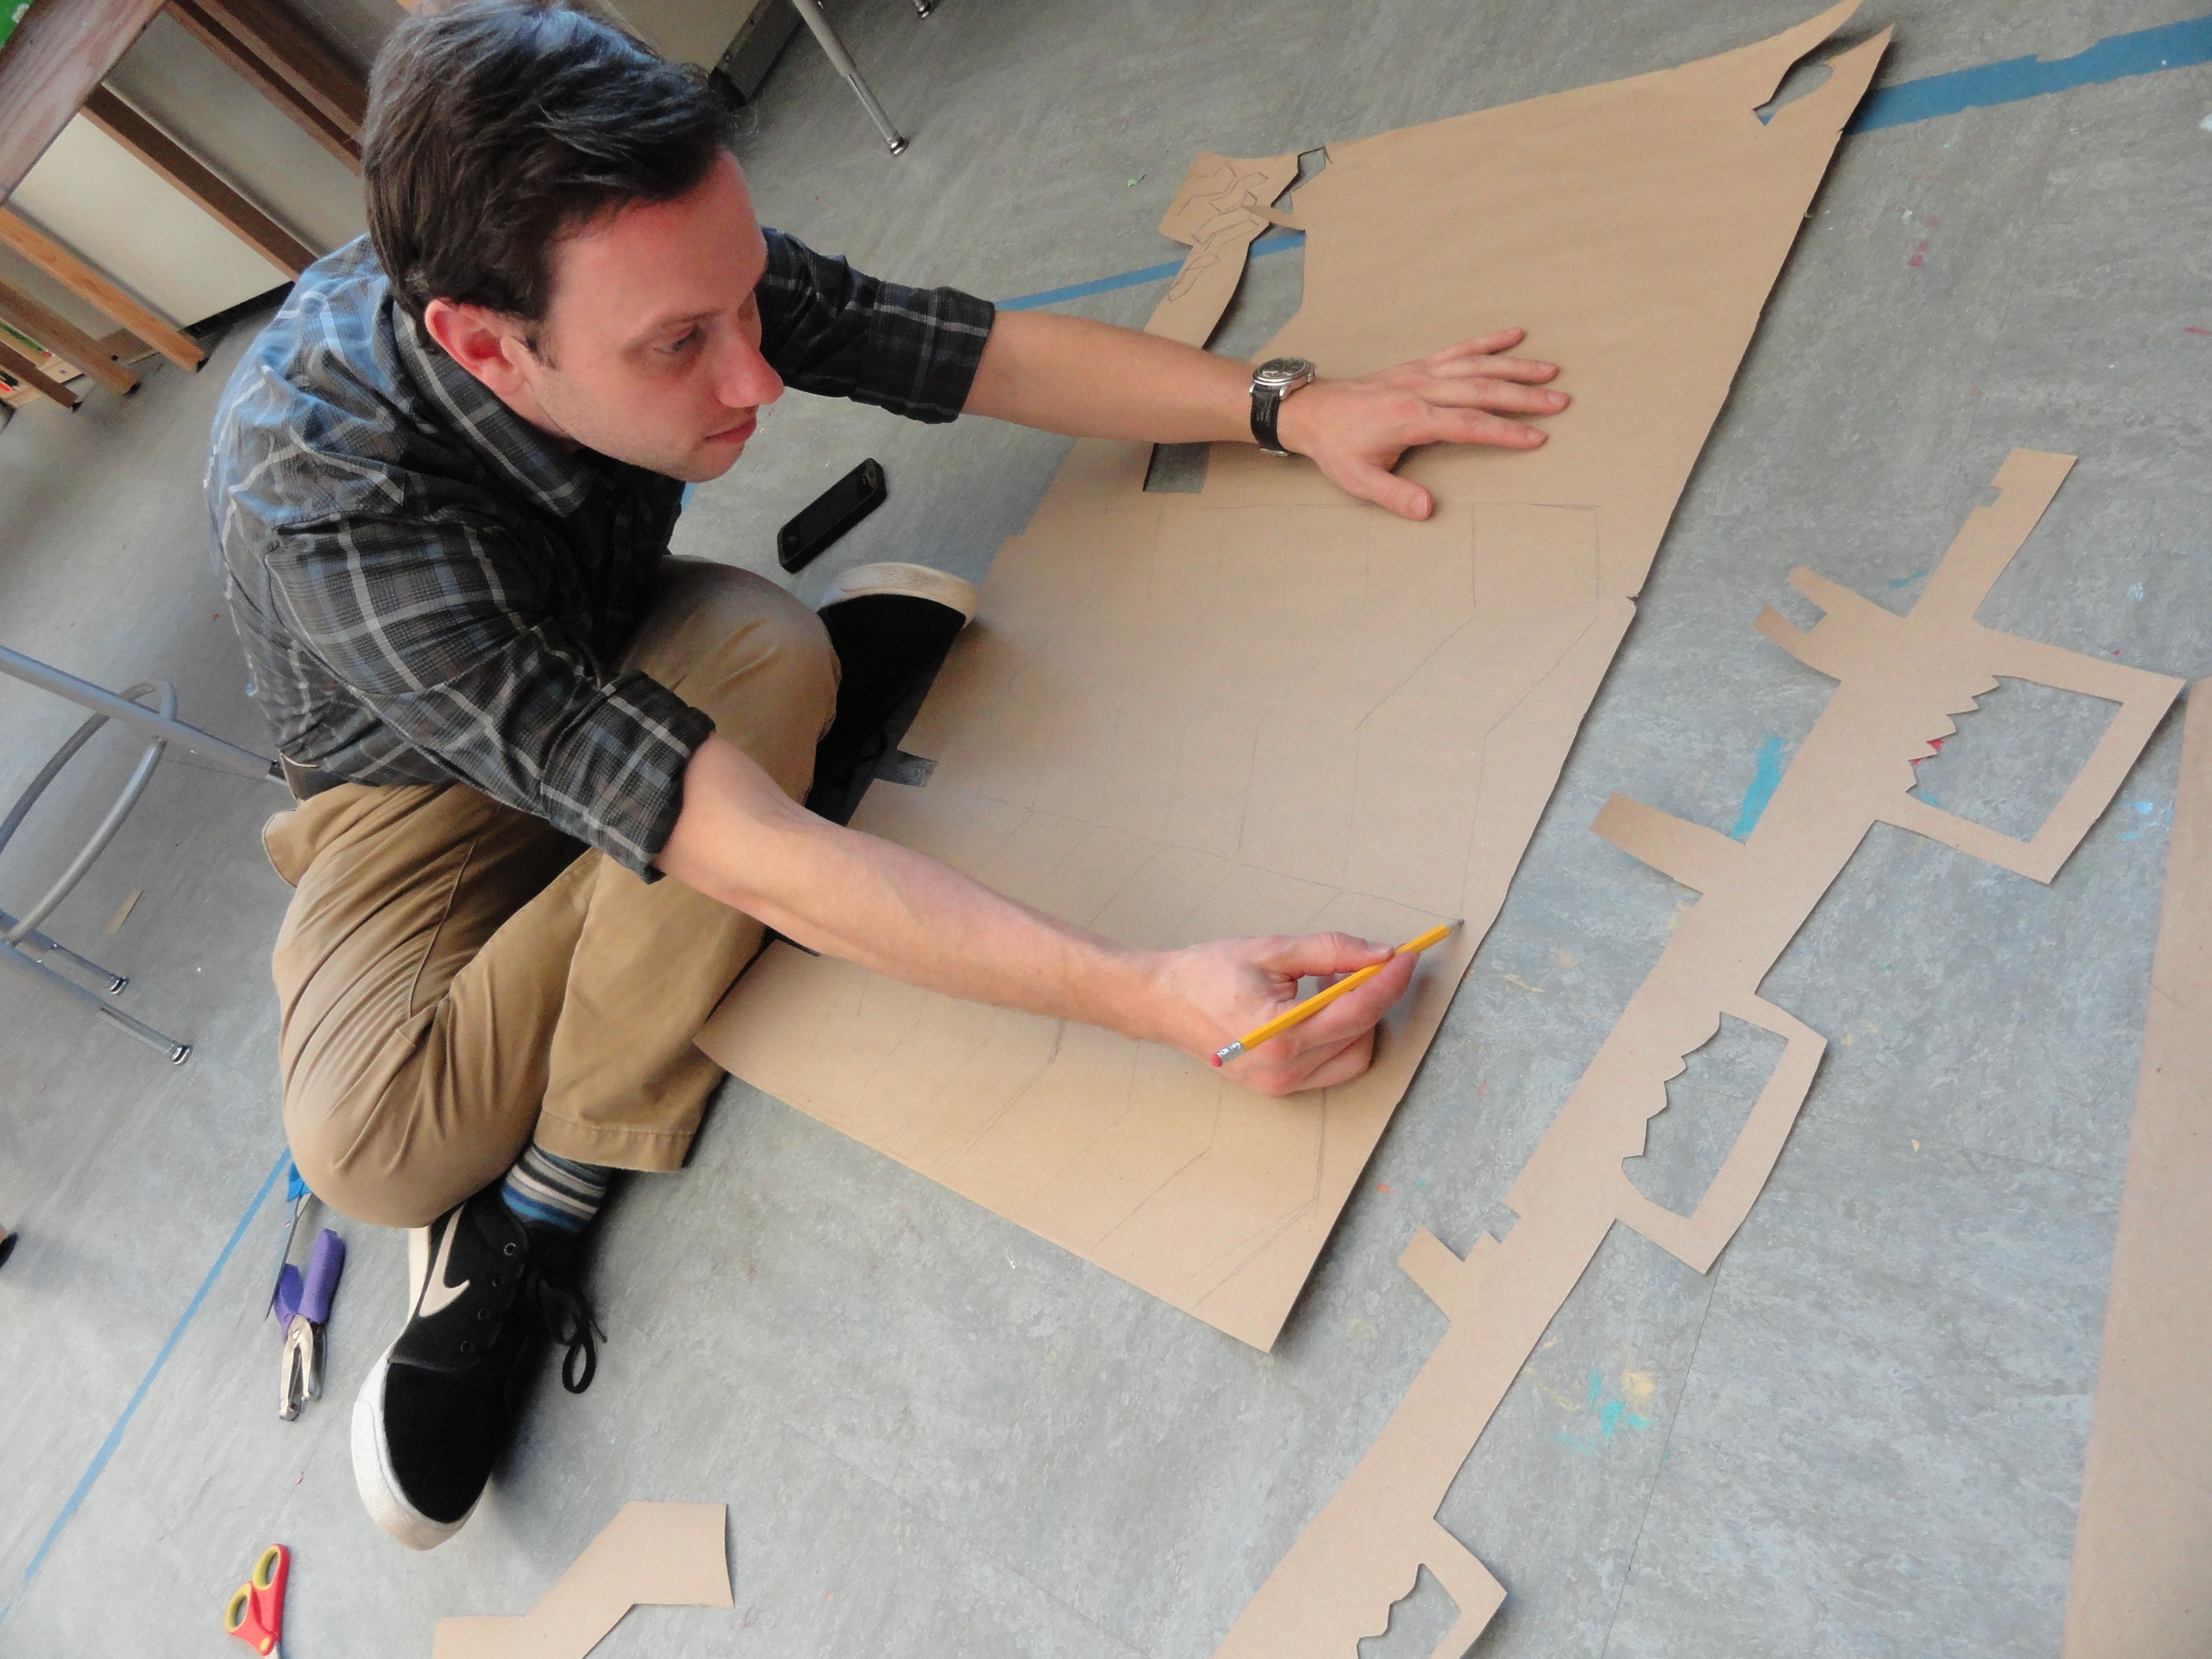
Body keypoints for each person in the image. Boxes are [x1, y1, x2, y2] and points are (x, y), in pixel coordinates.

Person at [206, 0, 1568, 1551]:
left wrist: (1291, 406)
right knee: (378, 1150)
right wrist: (1153, 996)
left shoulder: (644, 253)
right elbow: (751, 855)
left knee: (771, 665)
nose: (757, 378)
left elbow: (958, 349)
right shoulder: (327, 494)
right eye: (680, 347)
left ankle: (556, 1175)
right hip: (414, 795)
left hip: (618, 648)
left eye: (743, 306)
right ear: (481, 343)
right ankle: (625, 1001)